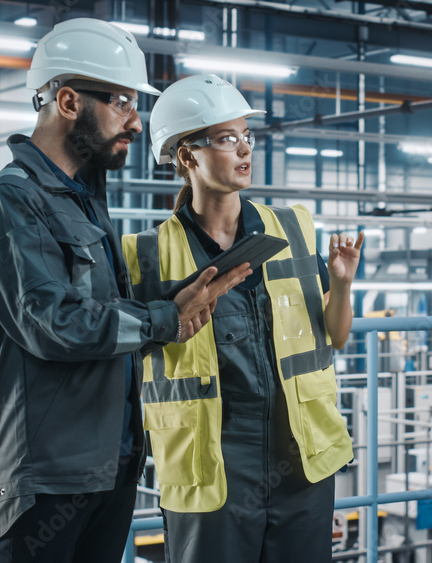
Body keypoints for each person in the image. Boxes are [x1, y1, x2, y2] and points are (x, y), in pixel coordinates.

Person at [0, 21, 250, 563]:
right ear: (68, 101)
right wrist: (165, 317)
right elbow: (54, 322)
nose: (137, 123)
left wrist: (184, 296)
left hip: (110, 461)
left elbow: (103, 314)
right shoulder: (11, 202)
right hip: (45, 475)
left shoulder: (85, 200)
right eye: (122, 103)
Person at [121, 73, 362, 562]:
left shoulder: (292, 227)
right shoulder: (144, 256)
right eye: (227, 139)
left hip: (301, 459)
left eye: (246, 137)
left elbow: (335, 337)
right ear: (187, 156)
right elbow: (122, 350)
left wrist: (341, 285)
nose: (245, 150)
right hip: (210, 467)